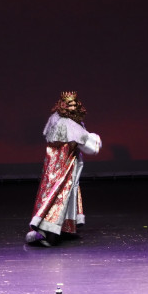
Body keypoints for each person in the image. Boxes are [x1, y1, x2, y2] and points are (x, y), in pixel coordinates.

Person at [26, 91, 102, 247]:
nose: (73, 106)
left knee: (66, 194)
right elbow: (87, 145)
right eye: (70, 104)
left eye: (75, 104)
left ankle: (62, 229)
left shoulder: (69, 122)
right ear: (63, 105)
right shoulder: (66, 124)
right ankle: (46, 232)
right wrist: (95, 140)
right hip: (61, 169)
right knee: (58, 195)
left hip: (64, 167)